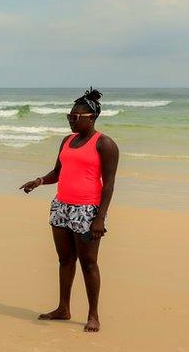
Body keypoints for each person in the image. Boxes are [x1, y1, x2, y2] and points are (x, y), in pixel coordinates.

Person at [20, 87, 119, 332]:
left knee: (88, 263)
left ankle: (93, 315)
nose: (71, 120)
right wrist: (40, 181)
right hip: (61, 207)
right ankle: (63, 308)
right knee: (65, 260)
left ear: (91, 118)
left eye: (75, 117)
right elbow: (58, 172)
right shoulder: (67, 140)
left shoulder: (105, 144)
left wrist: (100, 218)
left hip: (87, 211)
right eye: (69, 116)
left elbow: (109, 185)